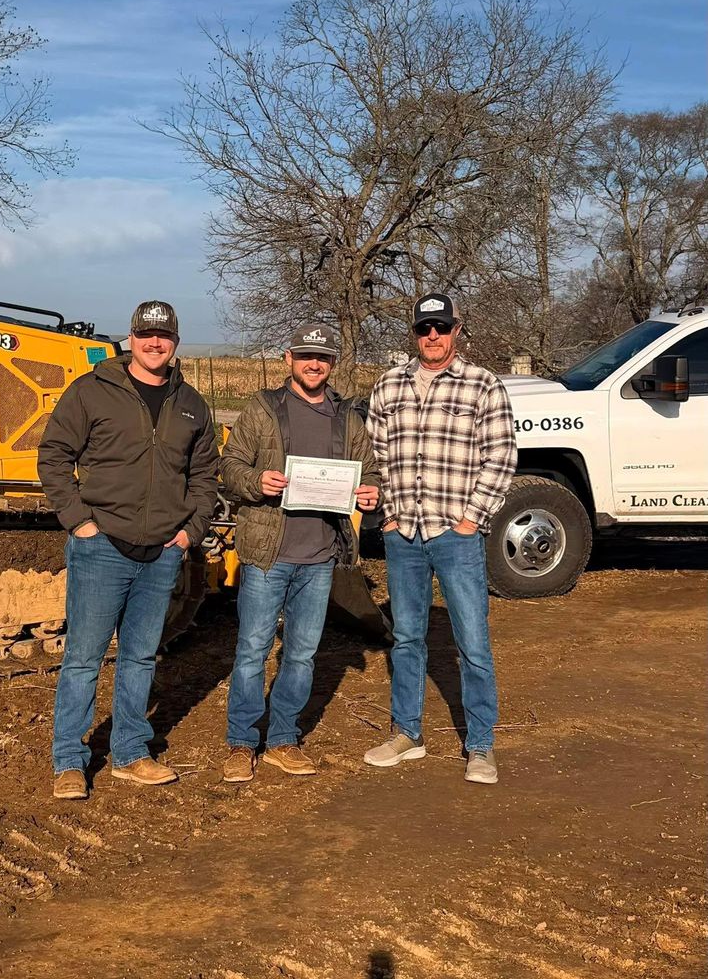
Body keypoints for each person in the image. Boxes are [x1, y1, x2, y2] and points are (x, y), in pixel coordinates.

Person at [38, 301, 219, 799]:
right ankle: (70, 762)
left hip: (162, 551)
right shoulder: (93, 392)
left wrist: (190, 532)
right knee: (83, 659)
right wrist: (79, 521)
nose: (154, 343)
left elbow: (205, 475)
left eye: (163, 336)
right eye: (145, 335)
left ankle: (130, 753)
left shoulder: (191, 404)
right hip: (102, 547)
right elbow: (54, 455)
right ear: (131, 338)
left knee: (140, 657)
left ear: (175, 342)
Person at [364, 294, 517, 784]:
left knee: (472, 642)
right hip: (403, 533)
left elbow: (501, 458)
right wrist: (387, 515)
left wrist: (471, 520)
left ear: (456, 331)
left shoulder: (482, 386)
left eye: (441, 327)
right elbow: (375, 456)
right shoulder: (388, 386)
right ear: (414, 332)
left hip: (456, 534)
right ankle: (407, 733)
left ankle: (480, 746)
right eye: (425, 327)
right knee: (407, 638)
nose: (433, 336)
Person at [220, 323, 381, 782]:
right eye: (307, 355)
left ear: (332, 365)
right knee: (252, 650)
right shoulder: (263, 409)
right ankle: (242, 742)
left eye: (324, 357)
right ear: (289, 359)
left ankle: (284, 739)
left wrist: (371, 492)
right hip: (268, 554)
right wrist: (256, 483)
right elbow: (229, 466)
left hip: (320, 556)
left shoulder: (347, 419)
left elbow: (370, 472)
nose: (315, 364)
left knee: (302, 654)